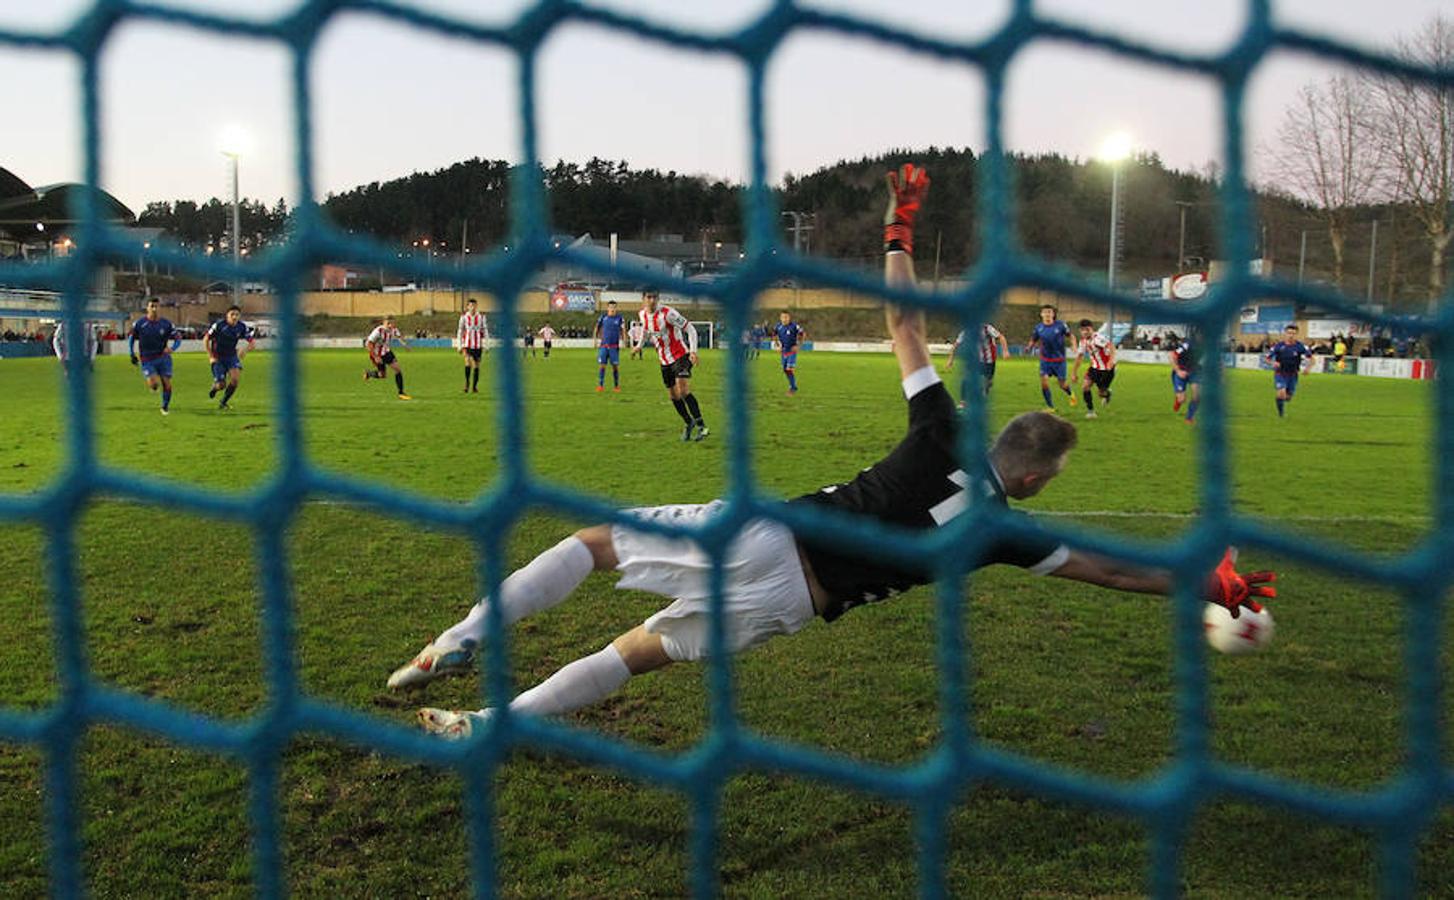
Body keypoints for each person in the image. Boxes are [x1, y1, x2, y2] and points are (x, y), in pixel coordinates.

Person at [387, 162, 1277, 739]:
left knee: (590, 545)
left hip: (772, 534)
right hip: (797, 603)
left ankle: (456, 641)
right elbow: (1118, 573)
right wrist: (1208, 581)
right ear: (1035, 476)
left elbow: (902, 320)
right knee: (633, 654)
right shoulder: (1003, 536)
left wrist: (898, 232)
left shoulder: (943, 430)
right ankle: (488, 727)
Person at [638, 290, 708, 441]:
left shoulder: (668, 314)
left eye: (654, 297)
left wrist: (693, 352)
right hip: (664, 360)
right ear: (643, 299)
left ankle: (702, 426)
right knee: (673, 395)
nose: (652, 300)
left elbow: (690, 329)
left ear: (658, 298)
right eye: (648, 297)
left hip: (681, 356)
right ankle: (689, 423)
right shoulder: (642, 315)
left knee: (683, 390)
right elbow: (645, 331)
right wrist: (639, 346)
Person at [128, 298, 182, 415]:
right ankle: (153, 386)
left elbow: (178, 338)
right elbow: (131, 338)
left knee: (166, 383)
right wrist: (131, 353)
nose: (154, 309)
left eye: (157, 306)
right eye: (152, 306)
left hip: (163, 357)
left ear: (160, 308)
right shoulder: (140, 323)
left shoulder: (166, 324)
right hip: (147, 359)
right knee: (154, 384)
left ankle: (165, 406)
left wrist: (172, 348)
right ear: (147, 308)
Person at [204, 305, 255, 410]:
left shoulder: (241, 327)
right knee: (221, 385)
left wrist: (244, 350)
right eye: (232, 314)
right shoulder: (219, 325)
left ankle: (223, 402)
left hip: (231, 357)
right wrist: (211, 356)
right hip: (218, 357)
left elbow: (252, 342)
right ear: (227, 315)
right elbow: (205, 339)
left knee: (235, 380)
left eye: (237, 315)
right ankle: (215, 387)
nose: (234, 317)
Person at [1027, 305, 1076, 411]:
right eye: (1045, 312)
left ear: (1053, 314)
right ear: (1041, 314)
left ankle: (1071, 394)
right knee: (1044, 382)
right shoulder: (1038, 327)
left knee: (1062, 384)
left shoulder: (1060, 325)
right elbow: (1033, 339)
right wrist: (1029, 347)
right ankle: (1050, 407)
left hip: (1059, 360)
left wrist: (1073, 345)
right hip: (1045, 360)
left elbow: (1071, 336)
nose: (1047, 314)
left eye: (1049, 312)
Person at [945, 322, 1009, 401]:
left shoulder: (987, 328)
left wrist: (1005, 351)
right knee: (966, 378)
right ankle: (963, 402)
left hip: (989, 360)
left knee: (988, 383)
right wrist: (950, 359)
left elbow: (1001, 337)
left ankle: (985, 393)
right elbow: (955, 345)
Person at [1070, 319, 1116, 419]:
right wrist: (1074, 373)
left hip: (1107, 370)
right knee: (1085, 387)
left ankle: (1107, 394)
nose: (1085, 332)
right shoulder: (1083, 342)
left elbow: (1111, 346)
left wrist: (1111, 361)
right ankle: (1091, 412)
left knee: (1101, 393)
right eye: (1083, 330)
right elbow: (1079, 357)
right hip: (1094, 368)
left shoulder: (1098, 338)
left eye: (1087, 329)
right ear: (1080, 331)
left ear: (1092, 329)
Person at [1265, 324, 1314, 418]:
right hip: (1280, 373)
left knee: (1288, 397)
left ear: (1296, 334)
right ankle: (1281, 414)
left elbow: (1312, 359)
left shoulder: (1300, 346)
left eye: (1293, 333)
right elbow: (1267, 358)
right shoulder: (1278, 346)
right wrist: (1273, 363)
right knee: (1281, 393)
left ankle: (1283, 400)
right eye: (1289, 333)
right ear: (1285, 333)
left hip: (1293, 374)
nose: (1291, 335)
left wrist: (1308, 368)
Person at [364, 315, 411, 400]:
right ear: (384, 323)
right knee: (382, 375)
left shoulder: (394, 329)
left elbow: (399, 337)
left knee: (398, 369)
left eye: (392, 323)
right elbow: (368, 344)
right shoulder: (378, 331)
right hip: (377, 354)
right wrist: (375, 356)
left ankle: (401, 393)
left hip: (387, 352)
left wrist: (405, 345)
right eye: (388, 323)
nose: (390, 325)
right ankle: (369, 374)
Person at [457, 298, 489, 393]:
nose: (472, 307)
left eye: (474, 305)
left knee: (476, 366)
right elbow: (460, 331)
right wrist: (459, 345)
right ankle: (467, 384)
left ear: (476, 306)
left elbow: (485, 331)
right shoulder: (464, 317)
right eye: (470, 306)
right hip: (467, 344)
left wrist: (487, 345)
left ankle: (474, 386)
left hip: (478, 345)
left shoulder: (481, 317)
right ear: (467, 307)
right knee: (467, 362)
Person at [594, 300, 626, 392]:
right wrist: (595, 340)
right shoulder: (603, 317)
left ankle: (616, 386)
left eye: (614, 307)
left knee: (615, 366)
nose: (612, 309)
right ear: (607, 308)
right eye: (611, 307)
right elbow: (597, 327)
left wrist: (624, 341)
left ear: (616, 308)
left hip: (614, 347)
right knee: (602, 366)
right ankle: (600, 385)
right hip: (604, 346)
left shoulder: (619, 318)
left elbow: (623, 330)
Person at [1168, 332, 1200, 424]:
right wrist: (1178, 371)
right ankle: (1178, 400)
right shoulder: (1188, 345)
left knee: (1197, 395)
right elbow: (1172, 355)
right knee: (1182, 399)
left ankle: (1189, 418)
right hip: (1181, 372)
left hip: (1195, 372)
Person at [773, 311, 806, 395]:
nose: (785, 319)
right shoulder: (778, 326)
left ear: (789, 318)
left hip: (792, 351)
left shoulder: (794, 326)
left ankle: (792, 388)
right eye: (783, 317)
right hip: (784, 351)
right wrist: (777, 345)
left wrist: (798, 345)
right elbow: (774, 335)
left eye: (786, 317)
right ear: (780, 318)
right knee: (785, 370)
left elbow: (803, 334)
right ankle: (793, 386)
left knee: (789, 369)